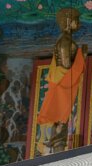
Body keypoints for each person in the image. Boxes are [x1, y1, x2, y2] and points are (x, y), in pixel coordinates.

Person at [35, 8, 87, 155]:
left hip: (63, 81)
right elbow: (65, 66)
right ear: (69, 22)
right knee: (60, 117)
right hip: (63, 82)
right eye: (77, 20)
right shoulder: (64, 41)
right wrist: (81, 55)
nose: (79, 23)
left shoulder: (66, 40)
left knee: (61, 118)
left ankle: (56, 142)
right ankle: (56, 145)